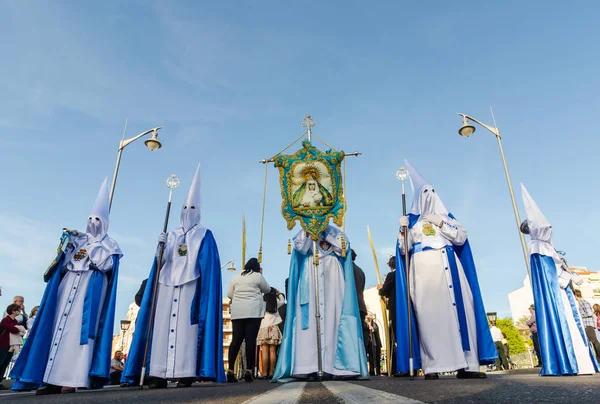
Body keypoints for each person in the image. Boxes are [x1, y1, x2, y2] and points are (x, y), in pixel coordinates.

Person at [11, 178, 123, 394]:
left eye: (98, 219)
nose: (93, 222)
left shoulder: (109, 245)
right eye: (90, 218)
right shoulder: (78, 240)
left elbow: (105, 265)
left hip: (88, 292)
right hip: (67, 287)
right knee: (57, 331)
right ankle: (50, 379)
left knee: (77, 335)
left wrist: (93, 245)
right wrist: (68, 244)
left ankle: (72, 379)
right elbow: (62, 266)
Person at [123, 165, 225, 388]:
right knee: (161, 328)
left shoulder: (205, 235)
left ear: (198, 211)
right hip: (166, 285)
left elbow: (208, 265)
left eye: (192, 207)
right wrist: (159, 248)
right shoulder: (171, 234)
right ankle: (158, 373)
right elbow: (161, 263)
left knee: (186, 332)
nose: (188, 211)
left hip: (191, 286)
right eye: (185, 207)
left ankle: (185, 372)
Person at [395, 161, 496, 380]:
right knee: (429, 316)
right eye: (424, 192)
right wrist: (402, 231)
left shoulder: (449, 219)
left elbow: (461, 238)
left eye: (432, 191)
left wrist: (440, 223)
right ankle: (432, 366)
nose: (429, 195)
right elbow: (404, 250)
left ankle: (466, 365)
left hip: (450, 268)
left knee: (461, 314)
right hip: (424, 271)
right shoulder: (412, 223)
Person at [272, 226, 369, 382]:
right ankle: (307, 366)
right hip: (310, 272)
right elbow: (299, 247)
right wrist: (310, 232)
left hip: (332, 274)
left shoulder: (335, 232)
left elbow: (343, 248)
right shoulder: (304, 231)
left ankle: (334, 366)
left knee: (333, 317)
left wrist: (325, 233)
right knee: (309, 319)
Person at [521, 184, 598, 375]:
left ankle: (581, 362)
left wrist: (572, 276)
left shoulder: (547, 247)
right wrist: (566, 279)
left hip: (565, 292)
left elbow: (558, 268)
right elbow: (551, 275)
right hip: (559, 294)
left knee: (574, 324)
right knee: (567, 325)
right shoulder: (538, 246)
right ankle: (570, 362)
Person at [226, 258, 271, 383]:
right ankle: (249, 371)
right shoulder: (258, 276)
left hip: (238, 311)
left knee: (236, 340)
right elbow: (267, 289)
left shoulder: (236, 276)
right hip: (253, 311)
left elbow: (230, 294)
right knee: (250, 340)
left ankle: (230, 370)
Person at [257, 288, 285, 379]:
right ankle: (272, 372)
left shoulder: (261, 303)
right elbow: (283, 300)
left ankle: (264, 373)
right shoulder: (276, 303)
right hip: (273, 328)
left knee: (264, 351)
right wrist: (279, 293)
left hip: (263, 328)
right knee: (273, 352)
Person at [378, 256, 397, 375]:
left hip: (395, 309)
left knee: (395, 337)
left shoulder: (392, 276)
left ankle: (396, 366)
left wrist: (380, 289)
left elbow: (384, 291)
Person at [0, 304, 24, 389]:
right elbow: (13, 329)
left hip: (11, 345)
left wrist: (18, 329)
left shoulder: (15, 321)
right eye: (18, 310)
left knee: (5, 363)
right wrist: (19, 329)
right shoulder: (5, 320)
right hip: (3, 344)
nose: (19, 312)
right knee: (1, 362)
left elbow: (21, 330)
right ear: (13, 311)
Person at [573, 289, 600, 364]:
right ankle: (597, 358)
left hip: (588, 325)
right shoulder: (581, 303)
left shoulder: (583, 302)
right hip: (586, 325)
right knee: (592, 341)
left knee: (594, 341)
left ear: (576, 295)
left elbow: (589, 313)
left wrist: (579, 316)